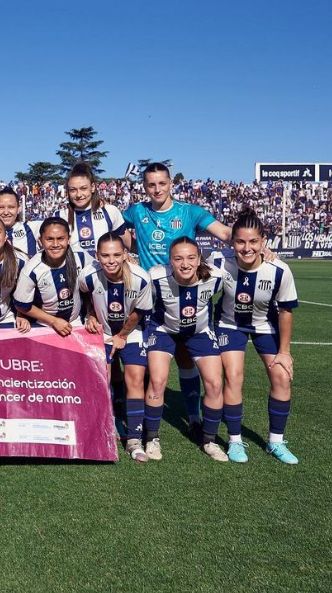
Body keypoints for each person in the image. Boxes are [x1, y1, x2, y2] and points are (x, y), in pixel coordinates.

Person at [121, 162, 234, 437]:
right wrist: (132, 249)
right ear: (144, 186)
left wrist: (258, 245)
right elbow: (119, 234)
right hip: (151, 296)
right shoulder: (137, 211)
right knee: (148, 362)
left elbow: (226, 233)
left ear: (171, 183)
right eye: (151, 184)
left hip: (186, 293)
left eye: (162, 183)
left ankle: (193, 416)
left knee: (185, 358)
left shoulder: (189, 212)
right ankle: (139, 419)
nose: (157, 189)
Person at [211, 209, 299, 464]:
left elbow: (285, 312)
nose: (246, 248)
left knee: (282, 376)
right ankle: (235, 441)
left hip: (266, 326)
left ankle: (276, 441)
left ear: (263, 242)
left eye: (253, 242)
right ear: (232, 242)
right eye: (240, 241)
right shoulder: (219, 261)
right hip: (229, 325)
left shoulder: (279, 270)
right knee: (234, 376)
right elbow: (189, 266)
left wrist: (284, 351)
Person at [144, 237, 228, 462]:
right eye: (178, 258)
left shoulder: (216, 276)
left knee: (214, 383)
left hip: (199, 332)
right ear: (169, 261)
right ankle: (151, 437)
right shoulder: (156, 277)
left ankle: (209, 440)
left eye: (191, 258)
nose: (185, 264)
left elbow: (240, 262)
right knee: (158, 380)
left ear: (199, 258)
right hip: (163, 330)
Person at [81, 232, 152, 462]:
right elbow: (83, 295)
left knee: (135, 380)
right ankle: (106, 430)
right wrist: (90, 314)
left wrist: (122, 335)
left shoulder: (140, 278)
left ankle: (134, 440)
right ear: (96, 256)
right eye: (105, 255)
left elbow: (137, 313)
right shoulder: (89, 275)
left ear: (125, 255)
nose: (111, 260)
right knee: (103, 381)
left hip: (130, 333)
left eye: (116, 255)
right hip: (102, 333)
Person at [13, 217, 92, 337]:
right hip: (44, 325)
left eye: (60, 239)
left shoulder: (80, 256)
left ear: (69, 239)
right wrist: (53, 321)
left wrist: (92, 314)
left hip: (75, 322)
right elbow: (21, 305)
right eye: (49, 239)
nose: (55, 244)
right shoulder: (31, 270)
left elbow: (97, 280)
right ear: (40, 241)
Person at [54, 163, 126, 256]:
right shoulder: (59, 216)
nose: (78, 194)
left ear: (92, 187)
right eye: (73, 190)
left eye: (83, 188)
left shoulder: (110, 211)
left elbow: (128, 244)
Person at [0, 187, 42, 257]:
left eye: (11, 207)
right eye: (1, 207)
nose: (6, 212)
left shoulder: (32, 228)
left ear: (18, 208)